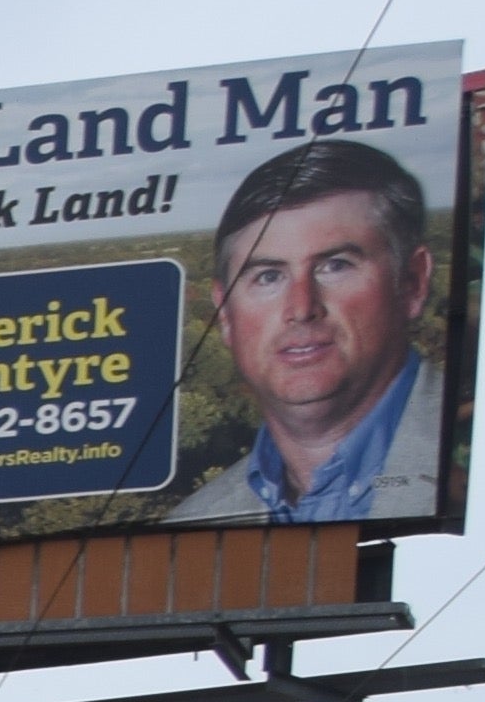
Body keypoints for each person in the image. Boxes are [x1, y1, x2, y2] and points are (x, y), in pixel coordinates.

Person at [169, 137, 444, 524]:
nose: (301, 308)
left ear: (413, 282)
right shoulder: (192, 523)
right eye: (268, 276)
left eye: (335, 266)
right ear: (225, 314)